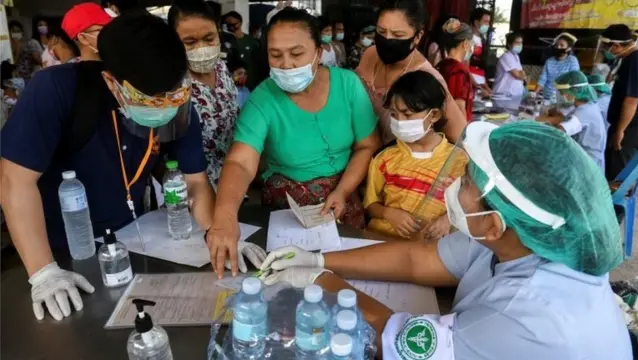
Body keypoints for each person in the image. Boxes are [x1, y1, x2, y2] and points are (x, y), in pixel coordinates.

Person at [259, 120, 631, 360]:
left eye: (467, 182)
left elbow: (398, 342)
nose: (454, 186)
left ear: (495, 223)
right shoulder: (520, 236)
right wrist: (319, 259)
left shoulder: (527, 317)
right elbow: (418, 260)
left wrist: (320, 284)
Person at [0, 13, 263, 322]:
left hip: (135, 240)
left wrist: (215, 232)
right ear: (112, 81)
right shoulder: (56, 89)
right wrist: (43, 271)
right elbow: (14, 180)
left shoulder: (178, 100)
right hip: (64, 249)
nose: (163, 105)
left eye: (172, 93)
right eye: (149, 99)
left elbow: (195, 181)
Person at [207, 7, 380, 277]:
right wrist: (225, 216)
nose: (286, 64)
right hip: (287, 210)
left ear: (319, 53)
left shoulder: (348, 85)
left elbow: (367, 145)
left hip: (344, 196)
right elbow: (241, 161)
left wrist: (343, 191)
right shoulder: (263, 99)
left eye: (297, 54)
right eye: (276, 55)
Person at [364, 71, 466, 240]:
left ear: (434, 115)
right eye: (394, 115)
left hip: (431, 251)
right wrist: (389, 213)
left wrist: (448, 219)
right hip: (384, 243)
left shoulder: (459, 161)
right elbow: (370, 204)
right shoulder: (384, 159)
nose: (399, 121)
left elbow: (470, 205)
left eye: (407, 114)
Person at [356, 0, 466, 145]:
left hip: (398, 163)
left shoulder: (426, 77)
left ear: (418, 36)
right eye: (381, 31)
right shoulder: (370, 55)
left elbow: (459, 136)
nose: (387, 39)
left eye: (398, 35)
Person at [169, 0, 240, 189]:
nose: (202, 48)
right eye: (190, 42)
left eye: (209, 39)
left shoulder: (221, 67)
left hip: (233, 180)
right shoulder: (172, 85)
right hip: (194, 188)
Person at [600, 24, 638, 180]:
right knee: (613, 166)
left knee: (617, 172)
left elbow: (632, 100)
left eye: (606, 46)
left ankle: (613, 203)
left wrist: (620, 131)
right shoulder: (626, 58)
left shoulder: (635, 60)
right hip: (624, 125)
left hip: (629, 128)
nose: (605, 50)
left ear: (616, 45)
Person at [553, 71, 607, 171]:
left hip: (586, 165)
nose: (560, 95)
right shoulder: (589, 105)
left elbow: (559, 133)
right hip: (586, 158)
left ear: (574, 91)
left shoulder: (583, 113)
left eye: (562, 92)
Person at [436, 19, 474, 122]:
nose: (471, 46)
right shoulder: (459, 71)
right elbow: (459, 106)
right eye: (471, 42)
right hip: (455, 129)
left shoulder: (441, 65)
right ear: (465, 43)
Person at [536, 32, 580, 100]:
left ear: (568, 48)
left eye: (562, 45)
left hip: (563, 99)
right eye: (556, 45)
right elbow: (542, 80)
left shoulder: (572, 60)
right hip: (546, 98)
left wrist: (567, 99)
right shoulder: (549, 61)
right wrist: (534, 93)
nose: (558, 47)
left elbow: (574, 81)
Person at [493, 32, 526, 98]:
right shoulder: (506, 56)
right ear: (509, 44)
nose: (520, 45)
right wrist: (521, 75)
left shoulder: (516, 56)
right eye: (517, 43)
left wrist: (522, 75)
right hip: (504, 94)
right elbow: (518, 75)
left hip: (514, 95)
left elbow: (523, 75)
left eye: (521, 43)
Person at [468, 7, 492, 97]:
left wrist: (485, 86)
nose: (488, 25)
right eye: (485, 22)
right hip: (470, 86)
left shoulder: (482, 40)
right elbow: (465, 66)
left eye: (488, 22)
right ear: (476, 22)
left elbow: (480, 70)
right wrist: (478, 87)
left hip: (480, 86)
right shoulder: (469, 40)